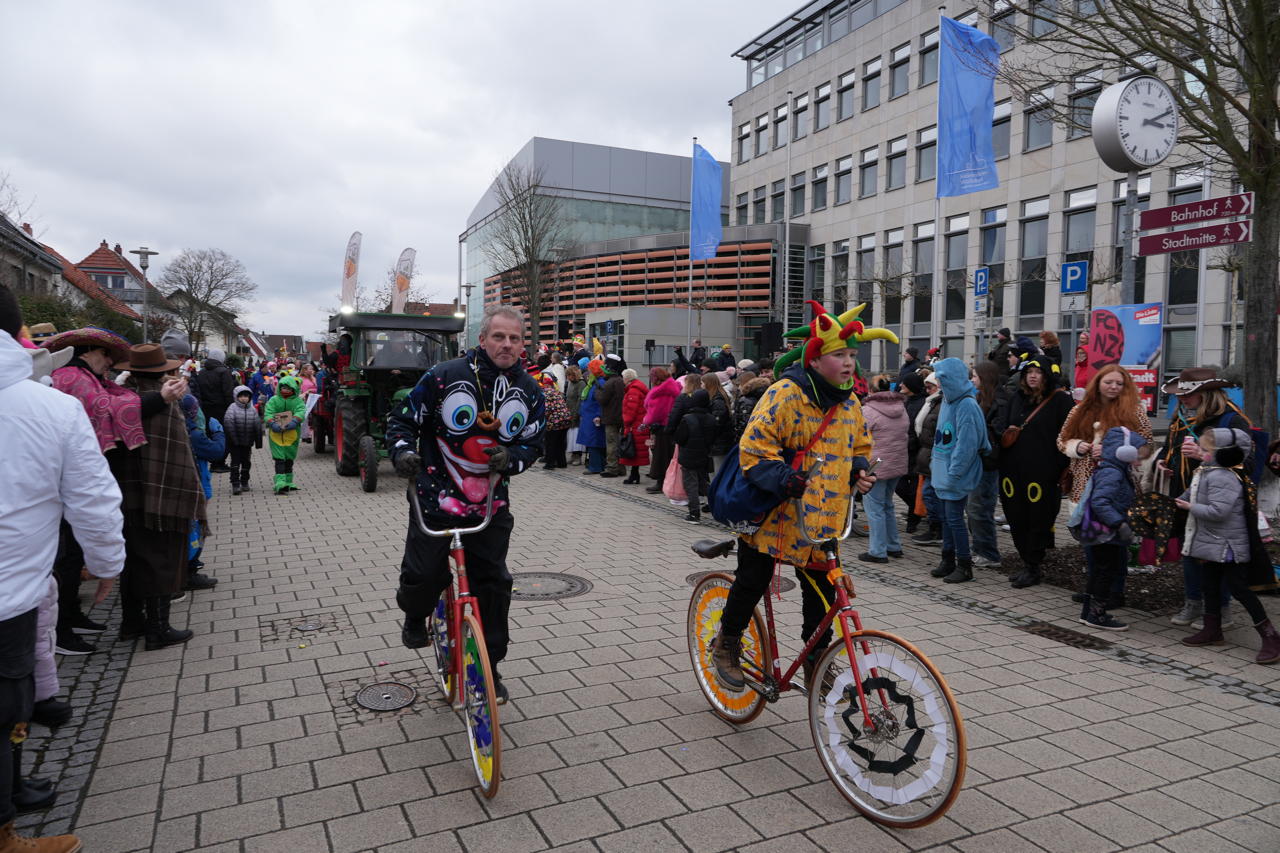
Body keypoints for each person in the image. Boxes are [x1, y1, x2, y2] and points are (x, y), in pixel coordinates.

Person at [0, 290, 123, 853]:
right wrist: (107, 565)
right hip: (8, 594)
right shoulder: (50, 405)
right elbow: (93, 498)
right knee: (7, 700)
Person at [712, 301, 886, 692]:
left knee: (822, 596)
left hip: (823, 519)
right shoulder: (785, 394)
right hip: (776, 516)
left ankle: (815, 662)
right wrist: (785, 478)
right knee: (752, 580)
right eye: (839, 354)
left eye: (852, 355)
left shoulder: (849, 402)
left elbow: (860, 442)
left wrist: (860, 470)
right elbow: (754, 450)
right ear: (816, 358)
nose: (848, 363)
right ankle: (726, 642)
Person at [387, 304, 544, 704]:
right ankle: (414, 613)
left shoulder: (529, 389)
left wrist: (514, 458)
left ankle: (489, 667)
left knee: (494, 585)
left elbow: (533, 441)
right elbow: (403, 421)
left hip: (489, 507)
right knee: (423, 576)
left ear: (522, 342)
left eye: (513, 338)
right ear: (482, 339)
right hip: (436, 500)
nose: (506, 345)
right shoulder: (445, 377)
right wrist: (403, 453)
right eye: (498, 336)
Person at [117, 344, 206, 651]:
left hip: (130, 492)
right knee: (162, 559)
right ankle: (157, 629)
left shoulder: (123, 397)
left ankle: (132, 623)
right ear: (159, 372)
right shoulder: (158, 401)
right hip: (162, 494)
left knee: (134, 559)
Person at [1156, 367, 1253, 629]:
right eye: (1181, 395)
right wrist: (1163, 463)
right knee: (1190, 552)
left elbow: (1248, 461)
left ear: (1208, 394)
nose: (1182, 399)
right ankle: (1194, 603)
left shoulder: (1231, 420)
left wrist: (1203, 455)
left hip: (1219, 501)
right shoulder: (1180, 417)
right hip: (1186, 494)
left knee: (1216, 555)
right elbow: (1168, 449)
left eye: (1189, 395)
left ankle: (1220, 611)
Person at [1177, 428, 1279, 662]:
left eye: (1206, 449)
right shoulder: (1207, 471)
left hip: (1228, 545)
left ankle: (1271, 636)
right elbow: (1190, 494)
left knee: (1239, 589)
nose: (1200, 452)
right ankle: (1213, 630)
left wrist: (1188, 508)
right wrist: (1175, 502)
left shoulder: (1224, 477)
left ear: (1225, 454)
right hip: (1213, 543)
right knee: (1209, 584)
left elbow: (1218, 511)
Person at [1057, 365, 1153, 608]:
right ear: (1098, 383)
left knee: (1114, 543)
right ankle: (1095, 588)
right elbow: (1061, 440)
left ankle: (1114, 592)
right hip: (1084, 485)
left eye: (1119, 383)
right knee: (1091, 541)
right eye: (1108, 382)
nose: (1113, 387)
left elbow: (1146, 446)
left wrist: (1115, 452)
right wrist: (1078, 446)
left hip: (1117, 488)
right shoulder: (1079, 410)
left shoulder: (1134, 412)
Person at [993, 356, 1074, 587]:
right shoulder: (1017, 398)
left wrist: (1059, 468)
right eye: (1029, 371)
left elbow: (1067, 436)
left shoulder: (1060, 401)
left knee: (1038, 518)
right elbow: (1000, 423)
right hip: (1012, 471)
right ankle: (1026, 561)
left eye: (1038, 372)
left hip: (1042, 474)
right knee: (1016, 517)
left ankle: (1034, 565)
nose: (1033, 376)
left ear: (1047, 375)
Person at [924, 358, 990, 584]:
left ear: (950, 379)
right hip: (944, 471)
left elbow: (967, 444)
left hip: (955, 474)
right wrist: (936, 464)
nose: (939, 383)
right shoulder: (949, 401)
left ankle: (964, 564)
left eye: (941, 379)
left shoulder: (966, 405)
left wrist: (955, 472)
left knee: (954, 519)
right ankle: (948, 559)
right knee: (946, 518)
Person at [1076, 427, 1147, 630]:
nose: (1139, 461)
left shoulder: (1114, 469)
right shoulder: (1112, 473)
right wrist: (1119, 523)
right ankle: (1096, 615)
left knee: (1099, 570)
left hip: (1103, 533)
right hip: (1106, 533)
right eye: (1137, 455)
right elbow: (1100, 502)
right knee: (1106, 571)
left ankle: (1088, 612)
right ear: (1124, 451)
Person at [859, 376, 909, 563]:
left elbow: (859, 437)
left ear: (871, 391)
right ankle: (893, 545)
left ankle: (878, 550)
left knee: (874, 509)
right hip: (897, 462)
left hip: (875, 465)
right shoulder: (901, 408)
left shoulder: (867, 411)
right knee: (887, 504)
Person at [966, 362, 1005, 570]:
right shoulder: (980, 399)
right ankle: (979, 548)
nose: (972, 380)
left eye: (975, 376)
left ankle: (988, 553)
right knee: (973, 508)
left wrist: (977, 433)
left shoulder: (999, 401)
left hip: (988, 463)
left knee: (980, 508)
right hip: (978, 460)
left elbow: (997, 432)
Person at [911, 372, 944, 545]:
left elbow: (937, 431)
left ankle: (938, 531)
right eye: (926, 386)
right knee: (928, 494)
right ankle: (935, 529)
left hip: (933, 454)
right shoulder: (932, 402)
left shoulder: (940, 403)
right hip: (926, 454)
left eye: (930, 386)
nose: (927, 390)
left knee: (930, 494)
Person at [674, 389, 715, 523]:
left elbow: (680, 438)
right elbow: (713, 437)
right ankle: (717, 504)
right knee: (703, 482)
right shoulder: (711, 418)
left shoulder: (687, 418)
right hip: (704, 455)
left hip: (688, 455)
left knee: (691, 484)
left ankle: (694, 513)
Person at [897, 372, 929, 535]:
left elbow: (919, 430)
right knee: (900, 485)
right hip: (904, 450)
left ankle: (914, 519)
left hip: (916, 452)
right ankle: (916, 512)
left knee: (915, 487)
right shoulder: (907, 401)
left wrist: (910, 443)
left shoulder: (922, 404)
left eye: (905, 383)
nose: (901, 385)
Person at [193, 347, 235, 469]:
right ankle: (219, 463)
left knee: (209, 434)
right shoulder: (224, 372)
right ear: (221, 358)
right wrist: (231, 408)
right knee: (223, 434)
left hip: (205, 409)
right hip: (221, 409)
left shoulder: (201, 372)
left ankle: (212, 461)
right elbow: (228, 392)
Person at [264, 375, 305, 495]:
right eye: (283, 388)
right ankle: (280, 483)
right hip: (276, 435)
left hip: (292, 434)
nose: (285, 391)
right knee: (279, 459)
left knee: (289, 458)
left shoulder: (298, 401)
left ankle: (289, 481)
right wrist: (272, 423)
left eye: (288, 388)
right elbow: (268, 412)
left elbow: (301, 410)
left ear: (293, 389)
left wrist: (295, 420)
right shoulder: (274, 400)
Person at [643, 367, 680, 493]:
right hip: (670, 426)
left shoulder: (662, 391)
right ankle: (667, 482)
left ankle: (661, 482)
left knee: (660, 456)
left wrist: (646, 422)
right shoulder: (672, 387)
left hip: (661, 426)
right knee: (668, 455)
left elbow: (657, 410)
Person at [223, 385, 263, 495]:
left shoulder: (252, 409)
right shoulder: (232, 408)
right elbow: (228, 424)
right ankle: (235, 483)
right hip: (234, 442)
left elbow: (257, 425)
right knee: (235, 462)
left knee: (246, 462)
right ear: (236, 396)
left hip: (247, 442)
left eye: (246, 396)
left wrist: (258, 441)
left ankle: (244, 481)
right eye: (241, 396)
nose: (244, 398)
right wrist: (233, 439)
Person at [596, 353, 627, 478]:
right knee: (618, 443)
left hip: (610, 417)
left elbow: (603, 399)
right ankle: (621, 467)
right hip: (620, 417)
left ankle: (612, 468)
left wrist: (598, 392)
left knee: (611, 443)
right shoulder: (620, 381)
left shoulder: (610, 383)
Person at [619, 368, 649, 483]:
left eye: (623, 378)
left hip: (634, 425)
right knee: (636, 451)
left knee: (633, 450)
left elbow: (631, 409)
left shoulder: (633, 390)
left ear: (627, 378)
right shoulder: (637, 388)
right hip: (639, 424)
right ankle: (634, 474)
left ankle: (634, 475)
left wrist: (626, 422)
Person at [578, 360, 607, 474]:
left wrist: (598, 415)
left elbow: (601, 402)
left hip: (594, 418)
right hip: (589, 417)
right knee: (592, 442)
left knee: (594, 443)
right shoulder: (594, 383)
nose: (588, 371)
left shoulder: (599, 384)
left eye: (590, 369)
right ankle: (597, 465)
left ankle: (595, 467)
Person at [702, 372, 735, 475]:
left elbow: (718, 422)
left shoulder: (717, 400)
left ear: (708, 383)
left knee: (718, 470)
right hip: (720, 440)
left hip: (720, 441)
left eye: (702, 383)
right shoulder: (717, 397)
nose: (701, 385)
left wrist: (709, 435)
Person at [539, 372, 571, 470]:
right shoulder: (556, 391)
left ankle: (550, 463)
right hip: (565, 419)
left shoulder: (546, 393)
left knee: (551, 443)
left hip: (554, 421)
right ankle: (562, 462)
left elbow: (547, 409)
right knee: (561, 442)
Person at [563, 364, 585, 466]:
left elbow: (580, 400)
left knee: (576, 436)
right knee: (571, 436)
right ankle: (572, 455)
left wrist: (575, 413)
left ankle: (578, 456)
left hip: (576, 412)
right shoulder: (570, 383)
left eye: (569, 375)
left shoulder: (580, 384)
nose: (568, 378)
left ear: (574, 375)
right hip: (569, 411)